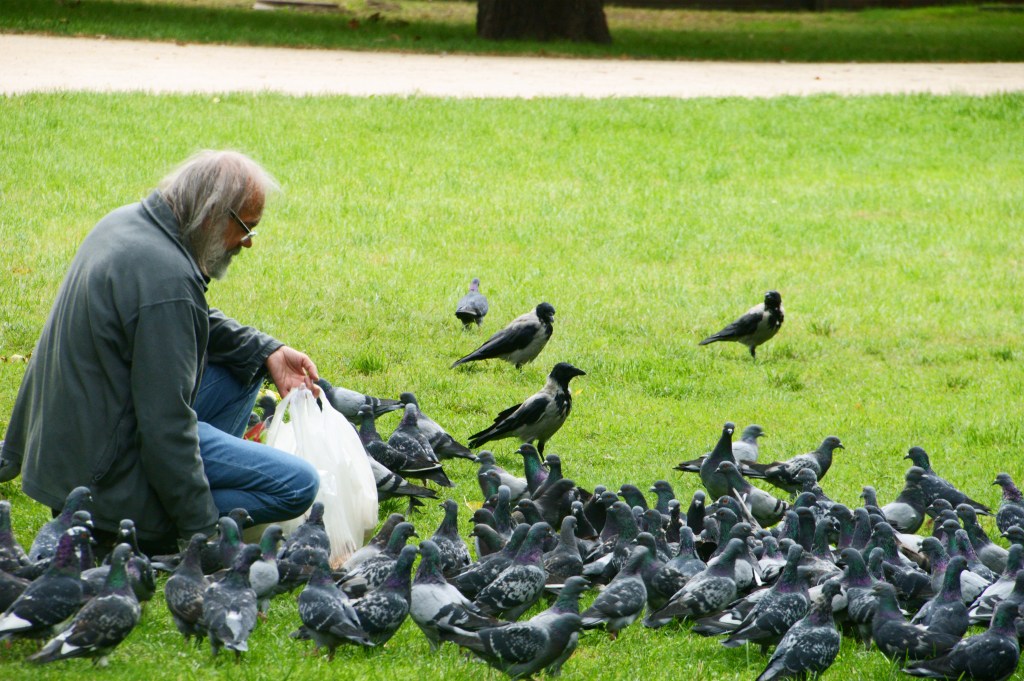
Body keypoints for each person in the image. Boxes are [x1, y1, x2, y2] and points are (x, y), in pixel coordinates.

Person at [0, 150, 320, 555]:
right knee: (299, 484)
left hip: (75, 456)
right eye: (246, 228)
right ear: (211, 213)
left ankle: (174, 491)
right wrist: (199, 532)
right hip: (105, 482)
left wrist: (267, 351)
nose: (249, 243)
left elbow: (188, 316)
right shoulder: (166, 282)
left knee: (245, 365)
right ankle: (152, 524)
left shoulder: (127, 223)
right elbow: (165, 429)